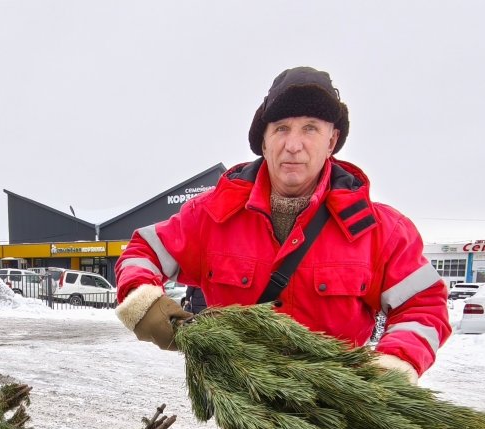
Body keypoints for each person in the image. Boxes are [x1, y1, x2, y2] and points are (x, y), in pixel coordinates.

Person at [113, 67, 448, 383]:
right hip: (247, 425)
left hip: (344, 425)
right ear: (264, 141)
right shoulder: (212, 215)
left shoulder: (379, 230)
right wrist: (145, 304)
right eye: (281, 128)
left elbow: (424, 304)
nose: (293, 145)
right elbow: (142, 251)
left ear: (332, 140)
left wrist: (394, 363)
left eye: (310, 128)